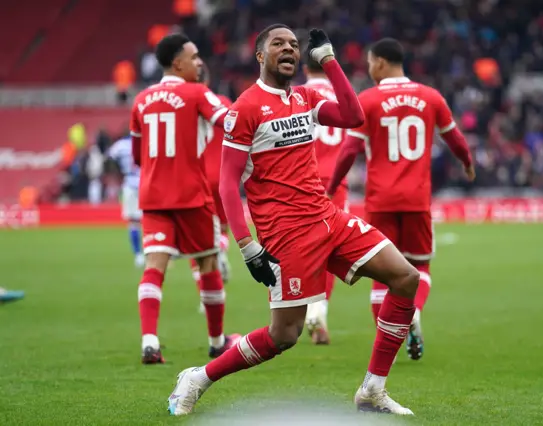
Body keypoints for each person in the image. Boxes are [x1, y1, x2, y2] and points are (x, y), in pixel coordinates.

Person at [167, 25, 419, 417]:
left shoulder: (305, 96)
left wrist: (330, 62)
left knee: (406, 278)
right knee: (284, 336)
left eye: (294, 46)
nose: (288, 49)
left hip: (328, 218)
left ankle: (373, 390)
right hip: (287, 236)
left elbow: (353, 115)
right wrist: (247, 245)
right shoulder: (245, 109)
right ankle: (198, 378)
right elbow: (227, 184)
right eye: (277, 44)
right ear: (260, 56)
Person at [327, 38, 475, 361]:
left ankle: (387, 347)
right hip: (417, 199)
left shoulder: (366, 100)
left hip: (380, 200)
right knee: (419, 265)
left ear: (380, 62)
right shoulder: (431, 96)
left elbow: (349, 151)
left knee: (382, 272)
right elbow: (455, 138)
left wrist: (330, 187)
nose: (368, 68)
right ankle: (414, 312)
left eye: (369, 62)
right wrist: (466, 162)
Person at [130, 33, 240, 364]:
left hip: (153, 197)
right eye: (194, 58)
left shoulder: (141, 99)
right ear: (177, 63)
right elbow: (230, 120)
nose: (199, 62)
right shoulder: (196, 93)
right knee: (208, 263)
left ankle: (149, 341)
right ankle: (217, 341)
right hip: (192, 196)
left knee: (153, 267)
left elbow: (138, 156)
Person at [301, 57, 349, 345]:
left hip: (301, 179)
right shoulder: (342, 98)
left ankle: (296, 309)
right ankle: (319, 310)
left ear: (304, 68)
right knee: (330, 249)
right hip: (335, 183)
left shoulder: (296, 95)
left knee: (299, 246)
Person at [189, 63, 234, 313]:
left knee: (197, 241)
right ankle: (222, 248)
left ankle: (205, 301)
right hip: (223, 176)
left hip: (197, 177)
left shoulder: (185, 104)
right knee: (223, 227)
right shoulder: (224, 101)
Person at [107, 134, 145, 268]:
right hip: (147, 182)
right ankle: (155, 250)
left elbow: (108, 159)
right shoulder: (147, 140)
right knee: (151, 220)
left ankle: (138, 254)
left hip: (129, 183)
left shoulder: (120, 145)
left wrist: (118, 175)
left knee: (133, 222)